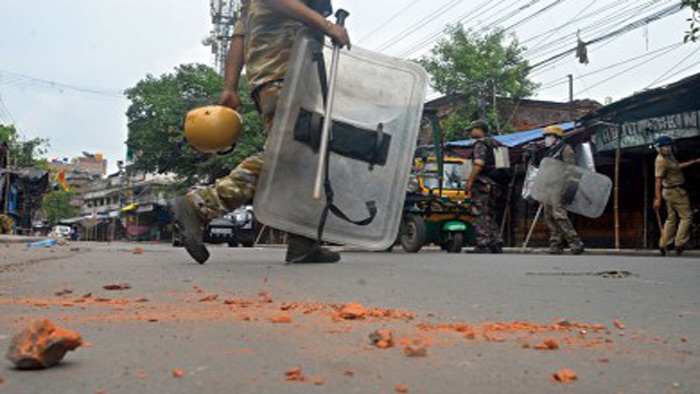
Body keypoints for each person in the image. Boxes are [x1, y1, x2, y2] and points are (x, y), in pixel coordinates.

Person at [169, 0, 351, 264]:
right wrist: (326, 25)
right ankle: (200, 205)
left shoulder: (248, 5)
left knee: (305, 155)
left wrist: (230, 87)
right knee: (286, 152)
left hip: (272, 77)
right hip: (287, 73)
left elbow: (239, 39)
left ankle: (303, 241)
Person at [653, 135, 700, 256]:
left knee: (671, 218)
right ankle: (679, 244)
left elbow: (676, 166)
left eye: (669, 145)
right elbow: (658, 181)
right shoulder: (661, 161)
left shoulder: (669, 157)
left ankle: (663, 244)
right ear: (660, 148)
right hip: (675, 192)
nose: (669, 148)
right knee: (687, 217)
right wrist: (657, 199)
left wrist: (692, 162)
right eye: (666, 146)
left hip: (671, 192)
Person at [540, 125, 584, 255]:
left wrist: (566, 188)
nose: (547, 139)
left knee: (559, 215)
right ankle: (556, 244)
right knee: (548, 216)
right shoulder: (551, 151)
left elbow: (570, 169)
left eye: (549, 136)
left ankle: (575, 243)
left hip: (559, 186)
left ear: (557, 137)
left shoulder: (565, 149)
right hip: (548, 187)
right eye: (546, 136)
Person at [465, 120, 504, 254]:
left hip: (483, 183)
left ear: (479, 129)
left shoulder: (481, 144)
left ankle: (483, 243)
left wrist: (470, 180)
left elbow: (479, 163)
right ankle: (496, 243)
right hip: (495, 183)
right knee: (491, 213)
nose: (470, 132)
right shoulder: (495, 143)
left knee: (480, 213)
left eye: (472, 129)